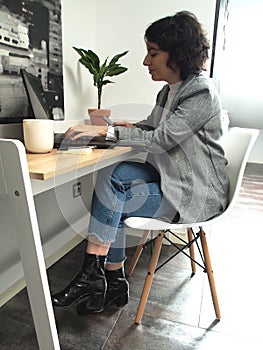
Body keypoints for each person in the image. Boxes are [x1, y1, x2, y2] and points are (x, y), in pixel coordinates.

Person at [51, 11, 229, 315]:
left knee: (113, 198)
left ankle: (103, 278)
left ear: (179, 53)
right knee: (112, 176)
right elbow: (154, 127)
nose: (146, 61)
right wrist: (127, 125)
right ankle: (107, 281)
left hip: (194, 194)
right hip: (172, 178)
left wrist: (107, 131)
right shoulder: (168, 90)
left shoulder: (201, 91)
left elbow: (162, 140)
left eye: (153, 53)